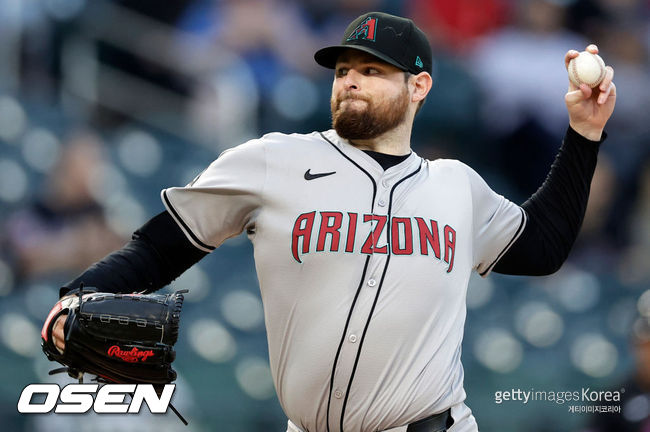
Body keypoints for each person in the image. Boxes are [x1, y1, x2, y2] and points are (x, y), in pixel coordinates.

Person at [46, 12, 616, 432]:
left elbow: (542, 248)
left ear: (418, 87)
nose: (350, 80)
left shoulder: (456, 186)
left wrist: (585, 133)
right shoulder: (273, 160)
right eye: (344, 68)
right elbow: (163, 247)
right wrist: (81, 293)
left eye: (372, 70)